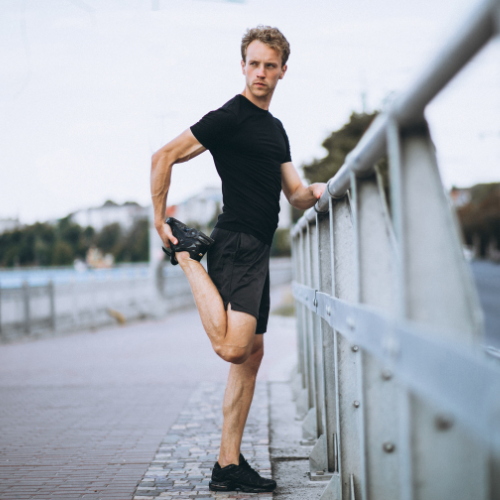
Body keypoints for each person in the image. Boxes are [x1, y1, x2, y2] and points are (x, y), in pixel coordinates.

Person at [151, 25, 326, 493]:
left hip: (258, 248)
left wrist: (319, 190)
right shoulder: (230, 116)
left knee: (252, 354)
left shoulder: (275, 129)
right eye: (253, 64)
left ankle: (227, 465)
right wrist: (159, 221)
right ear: (243, 66)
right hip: (236, 243)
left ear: (283, 71)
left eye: (270, 65)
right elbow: (164, 155)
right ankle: (187, 256)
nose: (260, 73)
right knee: (233, 349)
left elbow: (294, 194)